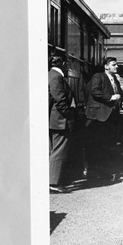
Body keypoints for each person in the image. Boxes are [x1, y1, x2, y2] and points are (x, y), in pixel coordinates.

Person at [84, 56, 123, 180]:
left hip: (109, 116)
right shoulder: (98, 76)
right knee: (96, 145)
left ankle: (102, 171)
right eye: (114, 64)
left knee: (105, 145)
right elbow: (95, 91)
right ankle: (93, 171)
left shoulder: (114, 79)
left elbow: (119, 94)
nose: (116, 66)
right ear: (106, 66)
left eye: (116, 64)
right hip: (98, 116)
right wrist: (111, 98)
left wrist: (122, 100)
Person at [48, 54, 74, 193]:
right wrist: (69, 115)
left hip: (55, 119)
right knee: (58, 151)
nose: (68, 66)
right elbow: (60, 99)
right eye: (67, 63)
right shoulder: (56, 77)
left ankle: (52, 180)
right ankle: (53, 183)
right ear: (62, 63)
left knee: (53, 150)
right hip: (60, 120)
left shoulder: (52, 75)